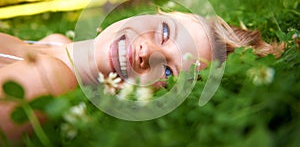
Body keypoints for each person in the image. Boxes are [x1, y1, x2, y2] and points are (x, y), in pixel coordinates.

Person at [0, 10, 284, 140]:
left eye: (169, 70)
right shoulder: (58, 43)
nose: (146, 51)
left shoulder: (48, 81)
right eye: (164, 31)